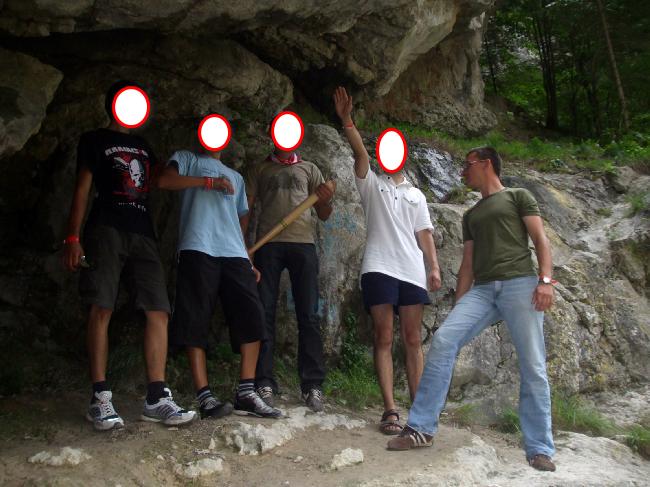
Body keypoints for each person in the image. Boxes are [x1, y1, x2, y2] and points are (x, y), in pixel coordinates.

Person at [386, 146, 557, 473]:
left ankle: (539, 448)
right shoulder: (471, 215)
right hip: (483, 290)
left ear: (487, 164)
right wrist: (460, 304)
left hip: (520, 284)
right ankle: (421, 428)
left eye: (468, 165)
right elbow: (467, 264)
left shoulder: (518, 196)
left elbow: (540, 239)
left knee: (533, 364)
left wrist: (545, 281)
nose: (463, 172)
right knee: (444, 340)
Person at [63, 80, 195, 431]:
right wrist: (73, 237)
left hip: (143, 231)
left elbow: (161, 180)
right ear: (113, 104)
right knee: (101, 305)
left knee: (158, 309)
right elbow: (82, 189)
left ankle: (157, 396)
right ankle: (100, 397)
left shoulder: (143, 145)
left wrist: (200, 177)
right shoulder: (94, 140)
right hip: (106, 227)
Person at [333, 87, 442, 434]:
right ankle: (390, 410)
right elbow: (359, 154)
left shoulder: (416, 195)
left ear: (403, 154)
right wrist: (347, 121)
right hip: (378, 267)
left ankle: (419, 414)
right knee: (383, 337)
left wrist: (434, 267)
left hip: (411, 270)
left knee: (413, 339)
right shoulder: (371, 184)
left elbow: (424, 235)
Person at [158, 141, 282, 419]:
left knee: (253, 315)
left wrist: (247, 258)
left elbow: (240, 220)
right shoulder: (186, 158)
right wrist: (207, 183)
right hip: (197, 245)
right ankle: (204, 397)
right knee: (195, 318)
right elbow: (165, 181)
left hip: (234, 252)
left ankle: (246, 392)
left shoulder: (236, 177)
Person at [242, 119, 335, 413]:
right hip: (267, 245)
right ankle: (264, 382)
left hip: (303, 244)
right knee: (263, 312)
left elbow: (324, 214)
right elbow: (246, 208)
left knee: (309, 314)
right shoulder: (260, 169)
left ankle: (312, 385)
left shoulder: (310, 169)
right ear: (273, 135)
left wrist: (325, 200)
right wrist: (243, 247)